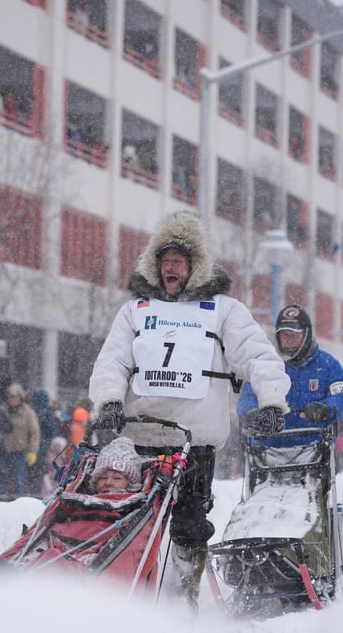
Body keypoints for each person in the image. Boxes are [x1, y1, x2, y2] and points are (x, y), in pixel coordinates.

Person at [88, 210, 291, 608]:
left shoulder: (223, 310)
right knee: (125, 521)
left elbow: (257, 355)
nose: (171, 268)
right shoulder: (136, 310)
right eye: (164, 261)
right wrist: (109, 399)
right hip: (138, 438)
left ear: (195, 266)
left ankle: (181, 603)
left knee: (188, 526)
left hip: (192, 443)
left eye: (179, 261)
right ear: (154, 265)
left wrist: (271, 401)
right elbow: (112, 359)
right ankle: (118, 598)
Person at [237, 304, 343, 448]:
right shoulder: (266, 364)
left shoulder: (328, 365)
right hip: (270, 450)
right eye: (285, 335)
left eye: (295, 335)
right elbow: (247, 397)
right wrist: (251, 411)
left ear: (307, 334)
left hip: (316, 450)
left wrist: (326, 407)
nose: (290, 340)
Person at [0, 383, 40, 499]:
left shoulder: (28, 413)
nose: (13, 399)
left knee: (20, 480)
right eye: (10, 396)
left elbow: (34, 433)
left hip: (20, 452)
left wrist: (33, 451)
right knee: (2, 478)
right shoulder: (2, 410)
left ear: (20, 397)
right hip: (5, 451)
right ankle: (0, 503)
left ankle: (19, 503)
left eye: (15, 396)